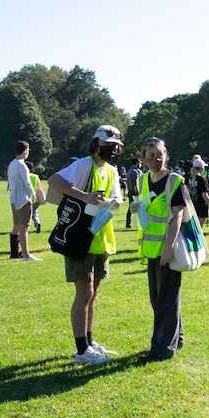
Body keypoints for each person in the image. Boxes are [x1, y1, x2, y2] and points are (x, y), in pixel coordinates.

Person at [48, 125, 123, 365]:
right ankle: (82, 350)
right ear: (96, 144)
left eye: (115, 146)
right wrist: (84, 196)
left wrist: (111, 201)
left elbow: (118, 199)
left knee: (93, 293)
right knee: (84, 292)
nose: (111, 150)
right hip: (80, 236)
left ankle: (89, 343)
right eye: (107, 145)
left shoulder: (111, 170)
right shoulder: (83, 164)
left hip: (100, 237)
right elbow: (55, 181)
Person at [134, 137, 187, 364]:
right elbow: (143, 206)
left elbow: (178, 216)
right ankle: (178, 337)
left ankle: (162, 349)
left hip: (168, 248)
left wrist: (169, 248)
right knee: (159, 296)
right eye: (151, 155)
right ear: (143, 159)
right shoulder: (143, 180)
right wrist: (136, 207)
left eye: (160, 154)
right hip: (151, 248)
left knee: (166, 297)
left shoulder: (174, 180)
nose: (157, 159)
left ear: (166, 155)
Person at [7, 141, 40, 261]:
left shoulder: (12, 164)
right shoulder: (22, 165)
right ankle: (26, 255)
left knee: (16, 226)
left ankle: (14, 252)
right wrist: (32, 194)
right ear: (25, 150)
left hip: (13, 199)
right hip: (23, 199)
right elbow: (27, 183)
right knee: (24, 227)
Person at [188, 158, 209, 228]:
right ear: (201, 168)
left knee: (194, 227)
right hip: (201, 205)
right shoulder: (202, 180)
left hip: (192, 204)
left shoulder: (189, 178)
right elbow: (204, 195)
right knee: (198, 228)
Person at [26, 161, 44, 234]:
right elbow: (39, 187)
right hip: (35, 198)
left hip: (27, 197)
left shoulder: (24, 176)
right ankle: (37, 222)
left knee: (27, 214)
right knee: (35, 213)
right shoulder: (35, 176)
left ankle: (26, 227)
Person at [125, 157, 142, 229]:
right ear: (137, 163)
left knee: (130, 208)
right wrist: (137, 193)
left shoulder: (129, 171)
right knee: (137, 208)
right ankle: (137, 222)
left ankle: (128, 223)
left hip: (130, 191)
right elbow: (135, 183)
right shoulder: (135, 172)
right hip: (134, 192)